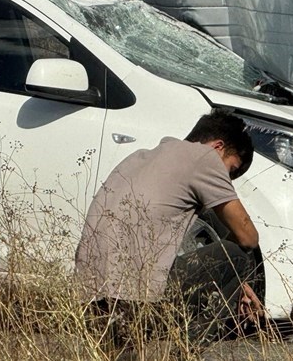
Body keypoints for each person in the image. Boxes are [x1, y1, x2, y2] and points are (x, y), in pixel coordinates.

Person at [74, 109, 262, 342]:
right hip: (135, 299)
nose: (227, 180)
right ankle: (184, 354)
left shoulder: (140, 157)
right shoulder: (204, 158)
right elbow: (248, 236)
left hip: (89, 299)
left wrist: (236, 282)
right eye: (231, 171)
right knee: (236, 254)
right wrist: (234, 274)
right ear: (217, 147)